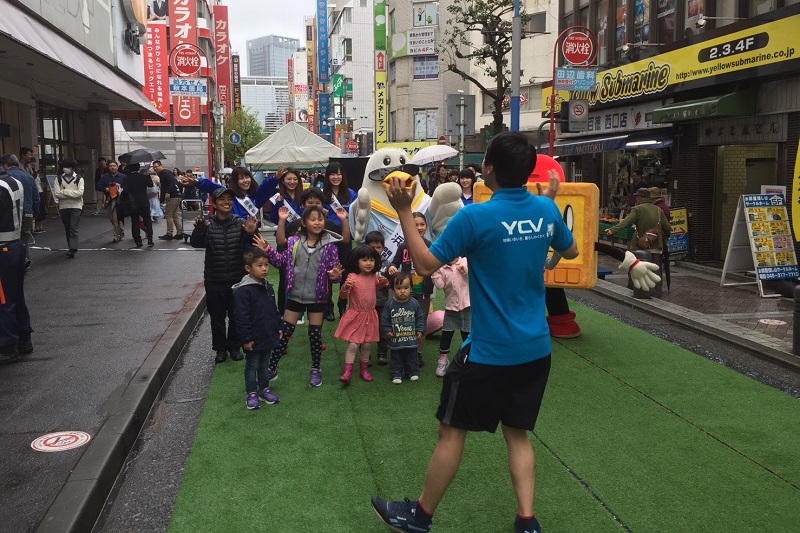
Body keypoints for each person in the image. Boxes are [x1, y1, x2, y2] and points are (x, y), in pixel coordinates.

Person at [371, 131, 578, 533]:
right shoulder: (545, 209)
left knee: (451, 432)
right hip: (536, 350)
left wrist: (403, 210)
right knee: (517, 434)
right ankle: (527, 521)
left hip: (488, 352)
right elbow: (569, 251)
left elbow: (425, 265)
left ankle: (420, 516)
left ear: (489, 169)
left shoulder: (475, 216)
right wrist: (546, 210)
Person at [254, 206, 343, 388]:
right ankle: (271, 368)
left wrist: (335, 275)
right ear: (304, 222)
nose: (317, 223)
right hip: (295, 296)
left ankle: (316, 369)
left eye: (320, 219)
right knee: (285, 334)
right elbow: (280, 262)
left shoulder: (330, 246)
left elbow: (335, 275)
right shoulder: (294, 242)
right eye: (313, 219)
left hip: (318, 297)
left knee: (315, 335)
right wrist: (267, 249)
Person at [191, 187, 259, 363]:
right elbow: (196, 243)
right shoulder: (207, 223)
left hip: (237, 278)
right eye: (222, 199)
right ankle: (220, 349)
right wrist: (199, 229)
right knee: (217, 317)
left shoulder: (240, 222)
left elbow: (253, 244)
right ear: (214, 204)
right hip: (215, 279)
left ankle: (234, 347)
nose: (226, 202)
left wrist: (251, 231)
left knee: (236, 315)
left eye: (229, 199)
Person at [275, 187, 351, 315]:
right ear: (303, 205)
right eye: (310, 203)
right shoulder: (296, 224)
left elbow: (345, 240)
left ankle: (328, 309)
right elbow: (281, 241)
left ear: (323, 204)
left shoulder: (328, 224)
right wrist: (282, 220)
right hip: (300, 275)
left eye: (317, 203)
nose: (314, 206)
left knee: (318, 312)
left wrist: (343, 220)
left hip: (320, 274)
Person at [233, 247, 282, 409]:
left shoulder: (267, 286)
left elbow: (273, 309)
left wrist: (278, 326)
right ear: (248, 268)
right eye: (259, 265)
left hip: (267, 334)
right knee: (252, 365)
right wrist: (246, 339)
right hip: (253, 337)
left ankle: (264, 389)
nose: (264, 269)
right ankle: (251, 392)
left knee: (264, 364)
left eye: (266, 265)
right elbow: (242, 318)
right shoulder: (243, 291)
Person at [334, 245, 389, 384]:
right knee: (353, 345)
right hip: (356, 316)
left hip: (370, 316)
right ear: (356, 261)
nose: (369, 263)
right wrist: (346, 287)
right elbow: (343, 296)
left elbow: (377, 286)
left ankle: (364, 370)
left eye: (371, 260)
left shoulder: (373, 277)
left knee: (367, 345)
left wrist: (384, 282)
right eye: (364, 260)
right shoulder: (352, 277)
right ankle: (347, 372)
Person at [388, 212, 433, 368]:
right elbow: (394, 263)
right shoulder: (403, 246)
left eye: (422, 224)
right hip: (405, 293)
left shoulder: (430, 245)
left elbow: (437, 265)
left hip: (423, 292)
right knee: (404, 322)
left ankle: (417, 353)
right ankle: (402, 351)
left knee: (421, 324)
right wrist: (392, 267)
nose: (419, 227)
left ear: (426, 227)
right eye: (415, 225)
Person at [606, 187, 671, 296]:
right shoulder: (659, 210)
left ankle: (637, 289)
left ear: (641, 198)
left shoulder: (637, 209)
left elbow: (627, 222)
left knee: (636, 268)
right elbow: (668, 228)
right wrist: (662, 237)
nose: (636, 199)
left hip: (640, 246)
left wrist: (613, 230)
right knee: (655, 269)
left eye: (637, 197)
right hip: (656, 246)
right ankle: (656, 292)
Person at [0, 170, 34, 363]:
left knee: (3, 299)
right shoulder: (13, 181)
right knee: (15, 296)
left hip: (2, 247)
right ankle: (23, 338)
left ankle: (7, 346)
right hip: (13, 244)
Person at [322, 162, 357, 320]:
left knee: (345, 271)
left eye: (338, 173)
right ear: (327, 176)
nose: (335, 177)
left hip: (345, 236)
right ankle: (328, 305)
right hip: (327, 237)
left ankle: (342, 303)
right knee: (327, 271)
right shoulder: (323, 195)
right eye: (332, 174)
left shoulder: (351, 194)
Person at [381, 271, 425, 384]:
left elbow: (419, 317)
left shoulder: (414, 303)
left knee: (412, 356)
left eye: (406, 288)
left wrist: (420, 329)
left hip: (411, 339)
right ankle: (396, 374)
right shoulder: (390, 304)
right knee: (396, 357)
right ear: (393, 289)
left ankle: (412, 372)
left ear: (411, 288)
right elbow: (385, 319)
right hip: (396, 339)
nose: (402, 291)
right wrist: (387, 330)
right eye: (398, 288)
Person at [431, 256, 470, 378]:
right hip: (451, 307)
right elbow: (440, 285)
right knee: (446, 334)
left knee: (467, 334)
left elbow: (472, 275)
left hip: (467, 306)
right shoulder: (442, 268)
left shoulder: (465, 261)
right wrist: (434, 273)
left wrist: (465, 270)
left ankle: (469, 359)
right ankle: (443, 360)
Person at [1, 155, 39, 269]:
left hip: (11, 215)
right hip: (27, 213)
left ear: (6, 164)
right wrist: (35, 213)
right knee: (24, 240)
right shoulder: (28, 177)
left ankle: (17, 264)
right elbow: (36, 198)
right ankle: (25, 261)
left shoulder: (6, 178)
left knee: (11, 241)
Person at [364, 231, 391, 365]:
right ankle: (365, 356)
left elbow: (393, 284)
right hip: (365, 303)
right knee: (366, 328)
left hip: (382, 302)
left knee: (382, 328)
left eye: (378, 247)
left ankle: (382, 353)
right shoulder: (362, 263)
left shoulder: (387, 264)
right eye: (372, 247)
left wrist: (386, 281)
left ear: (383, 248)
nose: (375, 250)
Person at [51, 158, 84, 258]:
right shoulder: (58, 179)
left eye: (67, 167)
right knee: (67, 227)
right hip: (63, 207)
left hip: (76, 206)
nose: (65, 169)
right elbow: (57, 193)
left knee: (73, 227)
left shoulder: (79, 179)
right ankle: (71, 247)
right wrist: (72, 194)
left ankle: (73, 249)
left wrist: (65, 191)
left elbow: (80, 193)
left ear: (73, 168)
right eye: (64, 167)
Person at [120, 163, 155, 248]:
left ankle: (138, 241)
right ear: (139, 168)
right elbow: (150, 184)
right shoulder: (143, 177)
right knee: (147, 221)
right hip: (144, 202)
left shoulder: (127, 178)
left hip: (133, 203)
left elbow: (125, 190)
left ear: (130, 168)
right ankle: (150, 239)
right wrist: (147, 175)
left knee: (135, 222)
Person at [97, 161, 126, 243]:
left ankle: (116, 235)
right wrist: (105, 189)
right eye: (110, 166)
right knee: (111, 218)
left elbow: (127, 187)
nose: (112, 167)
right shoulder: (105, 177)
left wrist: (120, 188)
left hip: (119, 200)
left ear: (117, 167)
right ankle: (120, 231)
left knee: (115, 217)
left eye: (114, 166)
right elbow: (98, 186)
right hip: (109, 199)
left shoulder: (123, 177)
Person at [153, 161, 183, 240]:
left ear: (161, 166)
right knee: (175, 215)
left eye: (156, 166)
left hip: (172, 196)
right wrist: (161, 200)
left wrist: (168, 192)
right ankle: (180, 232)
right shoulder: (162, 174)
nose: (155, 168)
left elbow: (173, 182)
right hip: (176, 196)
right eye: (154, 167)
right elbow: (163, 188)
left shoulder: (165, 173)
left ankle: (169, 233)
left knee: (168, 215)